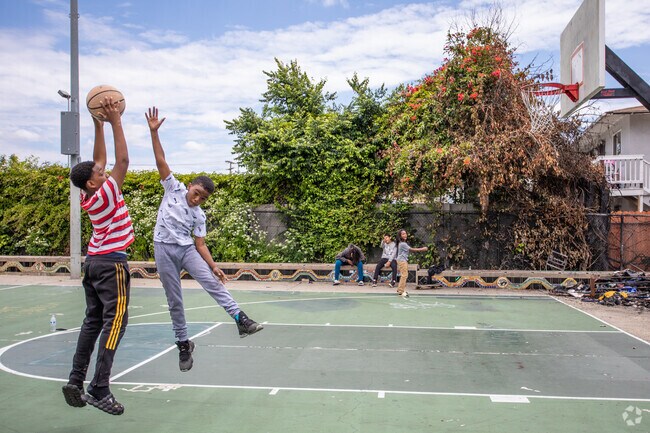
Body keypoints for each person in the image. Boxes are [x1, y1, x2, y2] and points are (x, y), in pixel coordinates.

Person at [145, 106, 262, 372]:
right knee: (174, 298)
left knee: (212, 283)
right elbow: (160, 160)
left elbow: (200, 244)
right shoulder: (173, 188)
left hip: (186, 250)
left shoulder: (199, 216)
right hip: (163, 249)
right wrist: (154, 133)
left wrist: (213, 265)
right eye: (196, 193)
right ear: (191, 186)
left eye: (202, 198)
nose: (197, 199)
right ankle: (183, 344)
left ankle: (240, 319)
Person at [62, 97, 134, 416]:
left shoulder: (89, 193)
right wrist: (116, 120)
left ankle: (76, 380)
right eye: (99, 173)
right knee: (116, 320)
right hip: (110, 263)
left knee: (92, 320)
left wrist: (97, 124)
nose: (104, 172)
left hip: (93, 263)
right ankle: (99, 387)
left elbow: (99, 159)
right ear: (94, 182)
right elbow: (122, 160)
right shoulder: (106, 191)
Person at [394, 229, 428, 298]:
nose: (405, 235)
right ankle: (401, 291)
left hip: (402, 260)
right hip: (402, 261)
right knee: (404, 275)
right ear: (400, 236)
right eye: (403, 234)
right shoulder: (402, 244)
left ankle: (400, 290)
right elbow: (412, 249)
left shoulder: (402, 243)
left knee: (404, 275)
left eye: (405, 233)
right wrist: (423, 249)